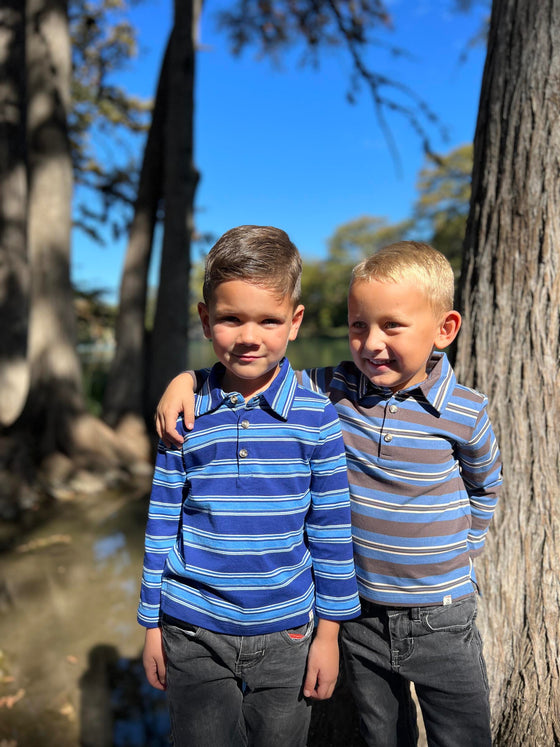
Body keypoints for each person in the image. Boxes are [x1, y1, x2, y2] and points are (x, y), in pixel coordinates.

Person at [155, 240, 503, 747]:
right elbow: (254, 376)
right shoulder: (335, 387)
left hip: (442, 612)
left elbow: (484, 484)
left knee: (463, 732)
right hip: (359, 612)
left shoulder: (465, 412)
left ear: (444, 330)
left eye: (392, 326)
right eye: (358, 325)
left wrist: (464, 546)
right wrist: (185, 379)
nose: (371, 343)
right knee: (382, 732)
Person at [138, 225, 360, 747]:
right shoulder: (185, 416)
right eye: (231, 318)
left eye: (269, 320)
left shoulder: (316, 417)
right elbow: (161, 519)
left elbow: (331, 532)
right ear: (205, 318)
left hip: (287, 632)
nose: (249, 336)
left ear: (295, 322)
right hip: (193, 629)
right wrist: (151, 622)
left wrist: (329, 634)